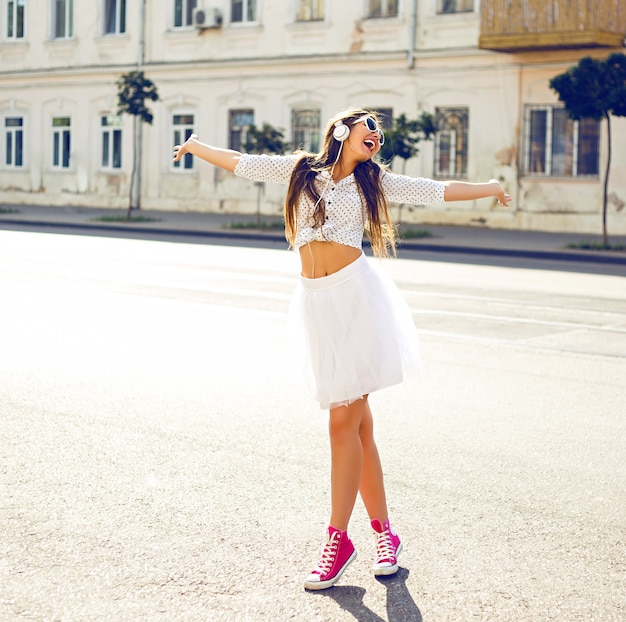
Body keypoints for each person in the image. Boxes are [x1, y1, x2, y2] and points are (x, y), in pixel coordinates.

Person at [173, 107, 511, 591]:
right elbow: (243, 162)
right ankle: (386, 535)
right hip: (315, 305)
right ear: (340, 131)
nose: (375, 135)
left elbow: (434, 189)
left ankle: (338, 539)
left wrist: (490, 187)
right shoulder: (301, 171)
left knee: (340, 424)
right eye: (367, 127)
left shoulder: (374, 182)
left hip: (356, 301)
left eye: (379, 132)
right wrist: (195, 146)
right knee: (360, 431)